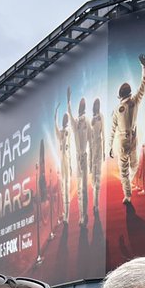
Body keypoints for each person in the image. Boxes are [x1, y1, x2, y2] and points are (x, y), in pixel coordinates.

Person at [109, 53, 145, 203]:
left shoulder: (117, 109)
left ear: (120, 96)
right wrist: (144, 68)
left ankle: (127, 195)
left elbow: (112, 130)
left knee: (124, 171)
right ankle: (128, 188)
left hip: (122, 141)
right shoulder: (135, 100)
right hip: (133, 140)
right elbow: (143, 86)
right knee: (134, 166)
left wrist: (110, 148)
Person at [67, 86, 90, 227]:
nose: (81, 107)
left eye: (83, 105)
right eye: (80, 105)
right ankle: (82, 216)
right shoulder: (75, 123)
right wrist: (68, 101)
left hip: (84, 157)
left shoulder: (86, 121)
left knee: (84, 188)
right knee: (80, 189)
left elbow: (91, 139)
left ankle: (84, 214)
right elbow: (69, 115)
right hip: (78, 157)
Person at [54, 105, 72, 224]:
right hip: (61, 161)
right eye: (64, 119)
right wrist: (55, 118)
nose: (65, 120)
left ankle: (67, 216)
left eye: (66, 119)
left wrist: (70, 165)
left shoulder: (68, 132)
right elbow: (57, 132)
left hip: (66, 160)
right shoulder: (61, 133)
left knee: (66, 187)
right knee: (62, 188)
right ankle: (64, 214)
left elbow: (69, 149)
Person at [89, 97, 105, 217]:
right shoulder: (91, 120)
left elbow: (103, 133)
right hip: (91, 152)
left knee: (98, 180)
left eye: (98, 105)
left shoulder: (101, 117)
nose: (96, 106)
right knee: (93, 180)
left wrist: (104, 151)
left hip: (99, 149)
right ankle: (95, 203)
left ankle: (96, 205)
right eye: (95, 105)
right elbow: (89, 140)